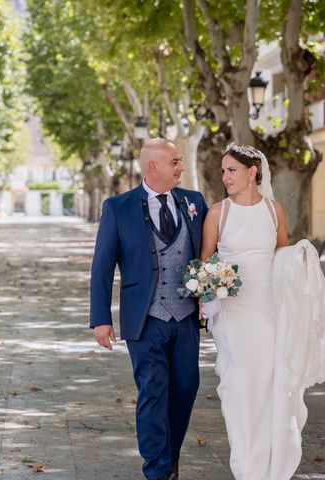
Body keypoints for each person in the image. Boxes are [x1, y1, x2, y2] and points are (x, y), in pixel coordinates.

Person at [200, 142, 325, 480]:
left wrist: (300, 258)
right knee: (240, 386)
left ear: (252, 172)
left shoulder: (274, 211)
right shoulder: (218, 212)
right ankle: (247, 465)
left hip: (269, 311)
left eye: (231, 170)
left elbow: (280, 256)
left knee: (271, 384)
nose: (225, 176)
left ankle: (273, 464)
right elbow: (205, 262)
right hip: (234, 312)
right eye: (224, 170)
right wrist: (210, 287)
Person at [90, 138, 208, 480]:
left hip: (186, 318)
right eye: (175, 161)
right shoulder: (119, 207)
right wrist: (101, 319)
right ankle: (157, 471)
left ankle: (169, 459)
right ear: (153, 166)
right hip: (145, 319)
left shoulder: (194, 202)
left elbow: (208, 254)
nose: (181, 167)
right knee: (153, 391)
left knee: (185, 390)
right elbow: (102, 266)